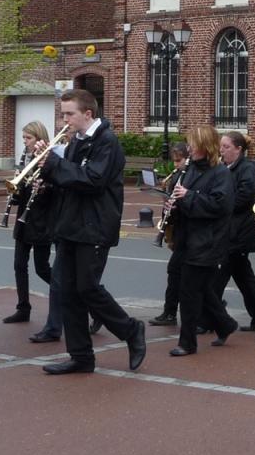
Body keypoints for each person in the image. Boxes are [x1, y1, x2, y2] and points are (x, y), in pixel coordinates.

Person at [37, 89, 145, 375]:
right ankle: (81, 356)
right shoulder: (77, 141)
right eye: (62, 114)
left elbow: (93, 180)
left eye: (69, 114)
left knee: (87, 288)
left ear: (88, 114)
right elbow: (69, 180)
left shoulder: (107, 142)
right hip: (71, 225)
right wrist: (46, 174)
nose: (64, 120)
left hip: (94, 226)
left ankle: (131, 329)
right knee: (66, 292)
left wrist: (55, 164)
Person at [165, 126, 238, 355]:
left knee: (188, 292)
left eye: (193, 144)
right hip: (187, 237)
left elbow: (220, 205)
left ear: (205, 146)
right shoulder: (190, 169)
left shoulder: (220, 173)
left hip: (207, 240)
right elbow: (185, 201)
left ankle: (187, 343)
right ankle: (225, 324)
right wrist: (173, 206)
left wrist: (189, 196)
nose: (189, 148)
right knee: (202, 288)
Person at [210, 131, 255, 332]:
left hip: (239, 233)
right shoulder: (225, 168)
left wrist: (219, 204)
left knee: (218, 278)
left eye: (226, 147)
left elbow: (244, 196)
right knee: (244, 277)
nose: (221, 150)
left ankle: (209, 318)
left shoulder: (246, 169)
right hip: (231, 232)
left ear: (238, 149)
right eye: (221, 146)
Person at [3, 121, 55, 324]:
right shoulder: (25, 159)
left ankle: (70, 295)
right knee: (19, 265)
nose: (25, 142)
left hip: (42, 220)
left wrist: (43, 188)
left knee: (42, 268)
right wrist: (15, 191)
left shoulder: (48, 160)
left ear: (39, 139)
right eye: (23, 137)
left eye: (29, 138)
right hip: (24, 220)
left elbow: (57, 191)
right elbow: (20, 198)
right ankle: (23, 307)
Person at [149, 142, 191, 328]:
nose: (175, 164)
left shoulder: (188, 175)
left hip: (187, 231)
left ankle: (171, 312)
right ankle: (170, 312)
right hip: (179, 228)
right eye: (174, 161)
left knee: (177, 271)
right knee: (177, 272)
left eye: (178, 160)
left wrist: (175, 206)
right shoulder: (178, 175)